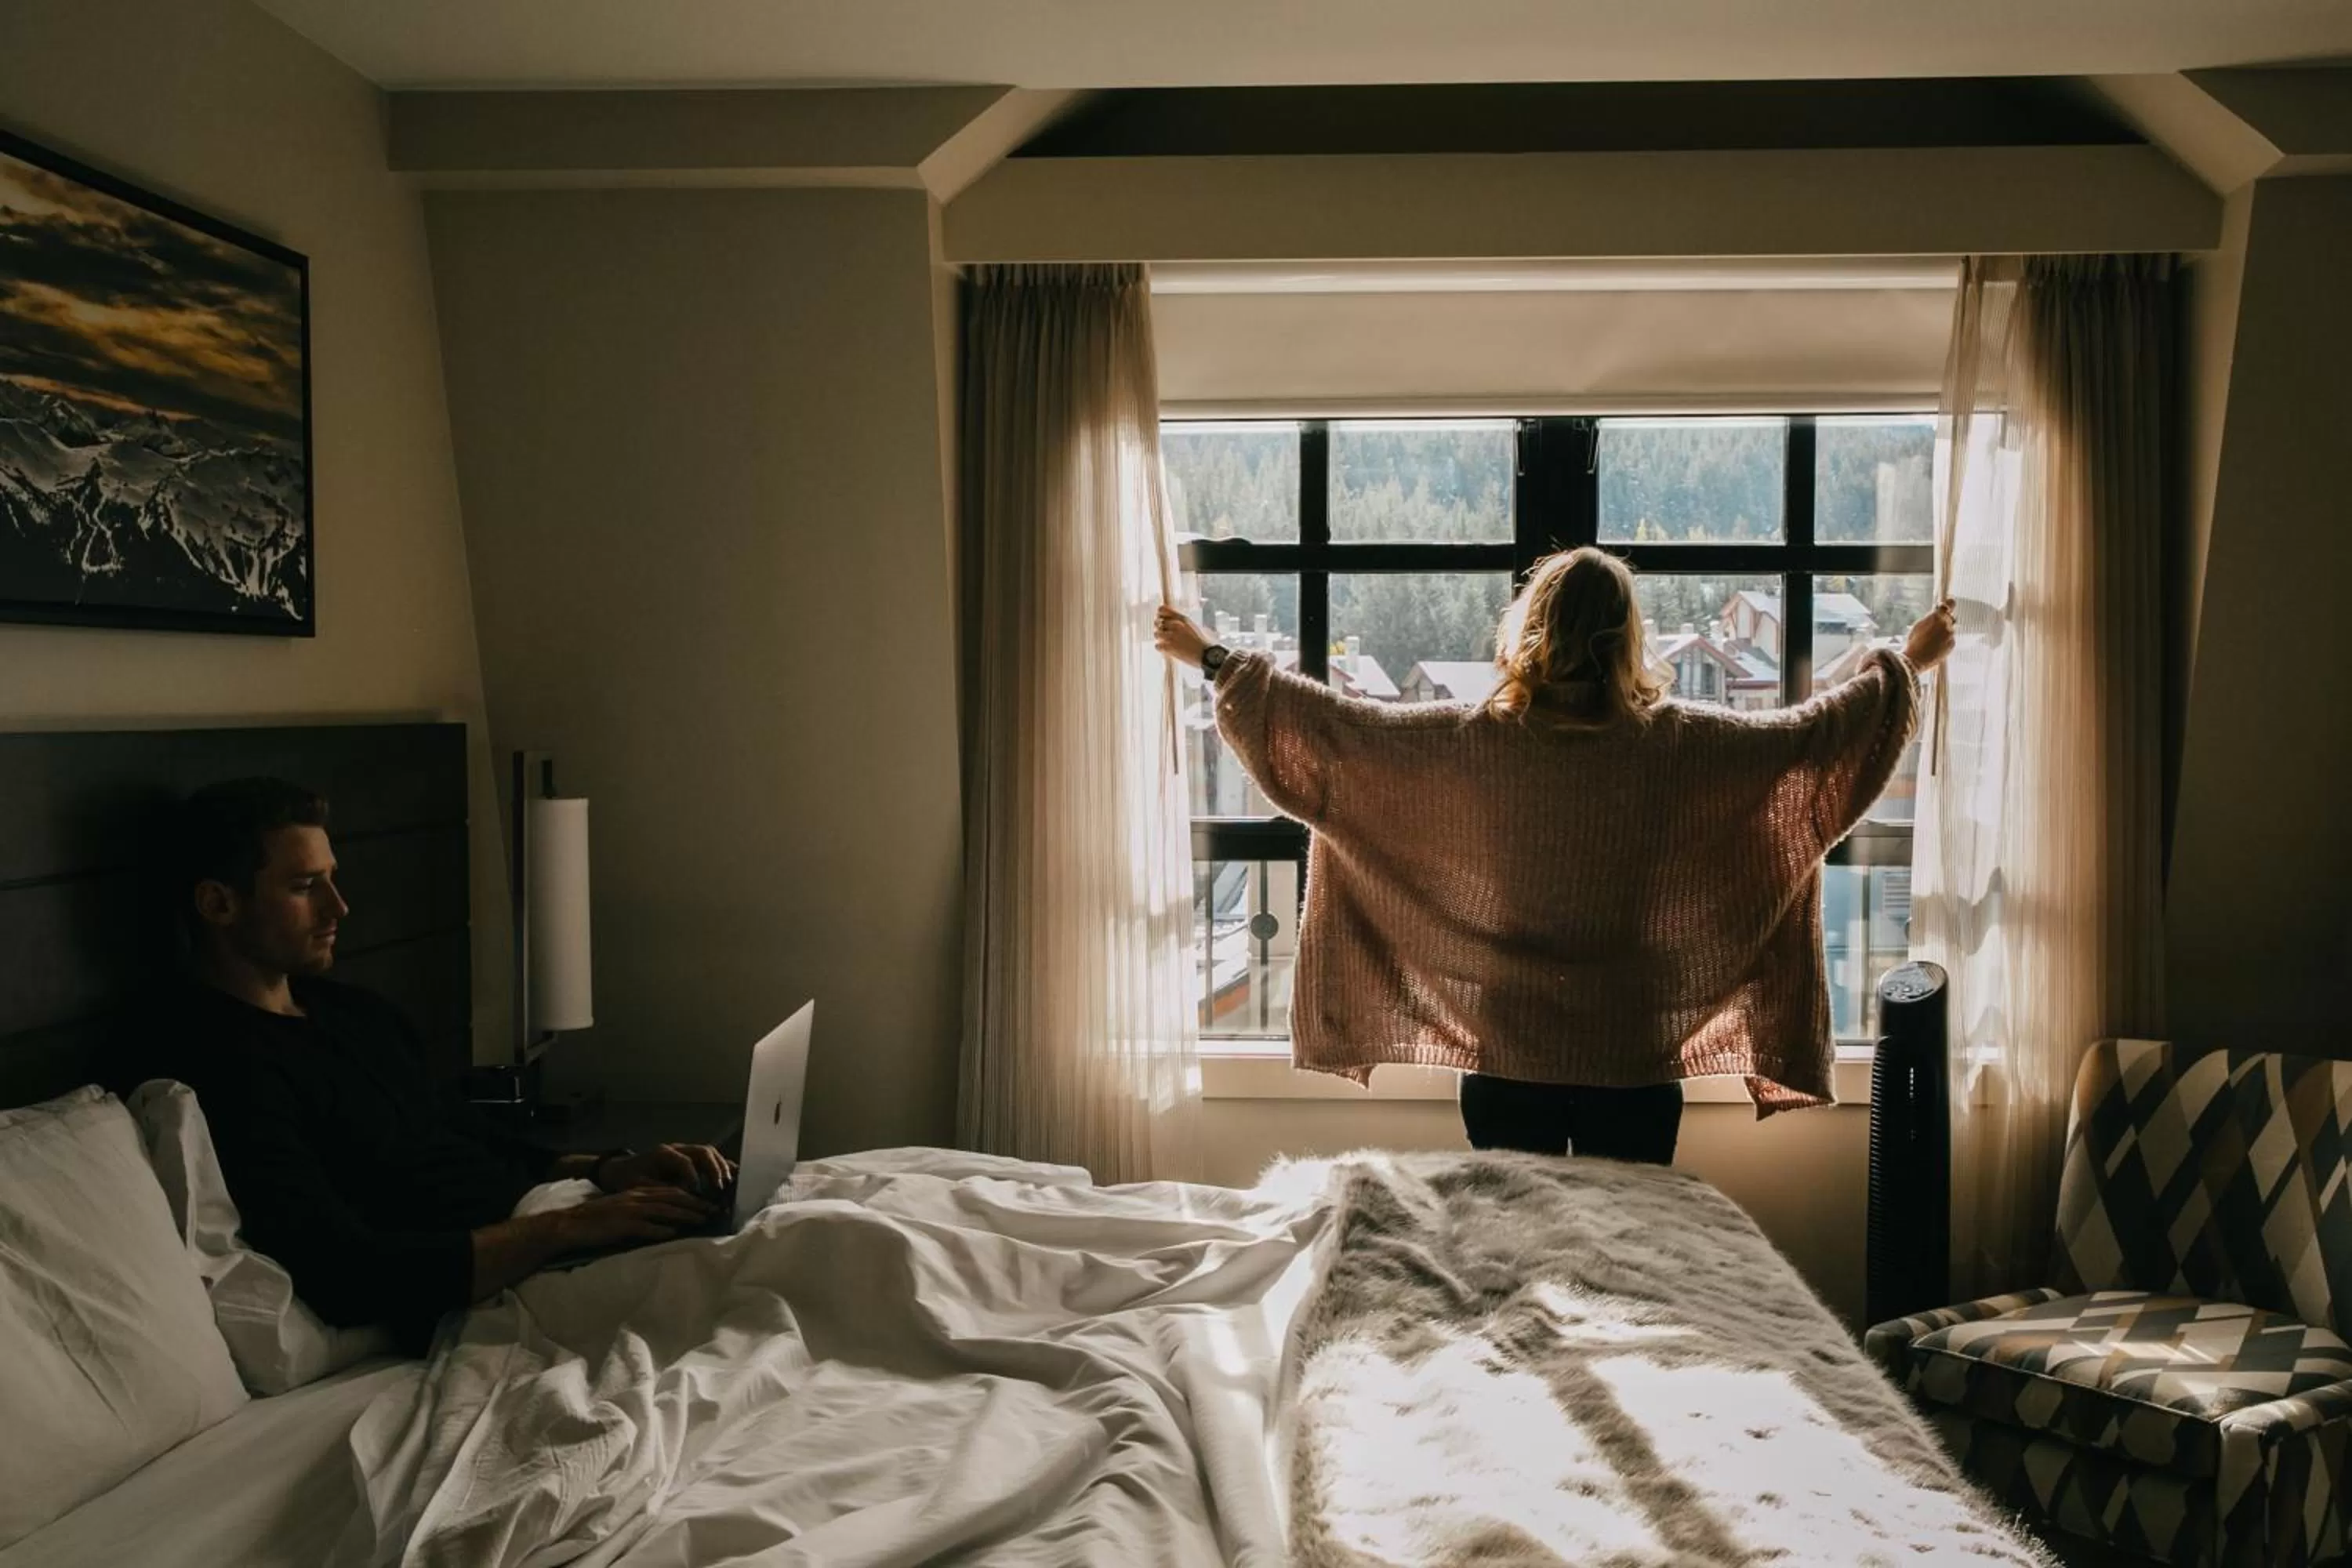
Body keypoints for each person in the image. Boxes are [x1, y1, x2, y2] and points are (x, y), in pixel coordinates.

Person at [1155, 546, 1956, 1166]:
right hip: (1636, 1045)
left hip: (1508, 1047)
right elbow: (1817, 741)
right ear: (1626, 637)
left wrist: (1211, 656)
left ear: (1531, 625)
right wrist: (1907, 661)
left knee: (1516, 1264)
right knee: (1624, 1272)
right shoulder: (1684, 743)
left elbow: (1327, 728)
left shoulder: (1472, 740)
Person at [147, 777, 737, 1353]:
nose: (339, 907)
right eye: (305, 886)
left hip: (553, 1227)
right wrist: (568, 1229)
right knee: (787, 1259)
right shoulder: (222, 1067)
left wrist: (609, 1171)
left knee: (796, 1214)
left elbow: (462, 1131)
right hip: (495, 1283)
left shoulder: (354, 1012)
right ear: (218, 903)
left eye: (333, 878)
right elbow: (344, 1273)